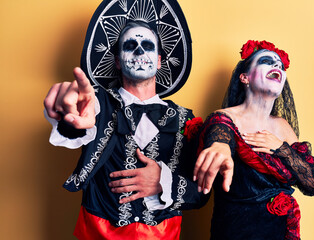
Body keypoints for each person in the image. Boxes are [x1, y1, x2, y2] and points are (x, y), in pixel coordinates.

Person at [43, 1, 209, 239]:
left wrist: (164, 182)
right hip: (99, 233)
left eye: (147, 46)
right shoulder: (96, 103)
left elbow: (201, 192)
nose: (140, 51)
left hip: (162, 235)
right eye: (130, 45)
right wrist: (67, 117)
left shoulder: (186, 119)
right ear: (118, 60)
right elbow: (76, 124)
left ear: (160, 60)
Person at [193, 40, 314, 240]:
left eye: (280, 65)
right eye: (267, 61)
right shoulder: (226, 117)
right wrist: (220, 146)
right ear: (245, 77)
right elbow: (220, 133)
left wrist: (281, 148)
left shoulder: (282, 126)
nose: (276, 67)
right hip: (236, 231)